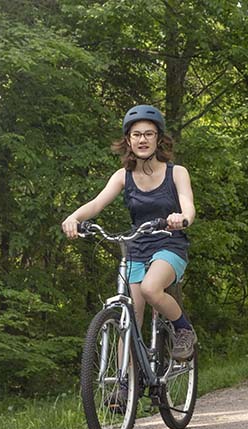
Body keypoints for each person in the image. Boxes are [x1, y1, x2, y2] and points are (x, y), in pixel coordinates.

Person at [62, 104, 197, 364]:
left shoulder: (176, 173)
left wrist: (183, 217)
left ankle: (183, 329)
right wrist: (74, 217)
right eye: (136, 134)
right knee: (130, 318)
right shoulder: (123, 176)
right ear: (128, 140)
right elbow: (96, 203)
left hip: (169, 244)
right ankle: (125, 387)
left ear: (159, 139)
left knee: (150, 288)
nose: (142, 139)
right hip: (137, 246)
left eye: (148, 133)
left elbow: (187, 202)